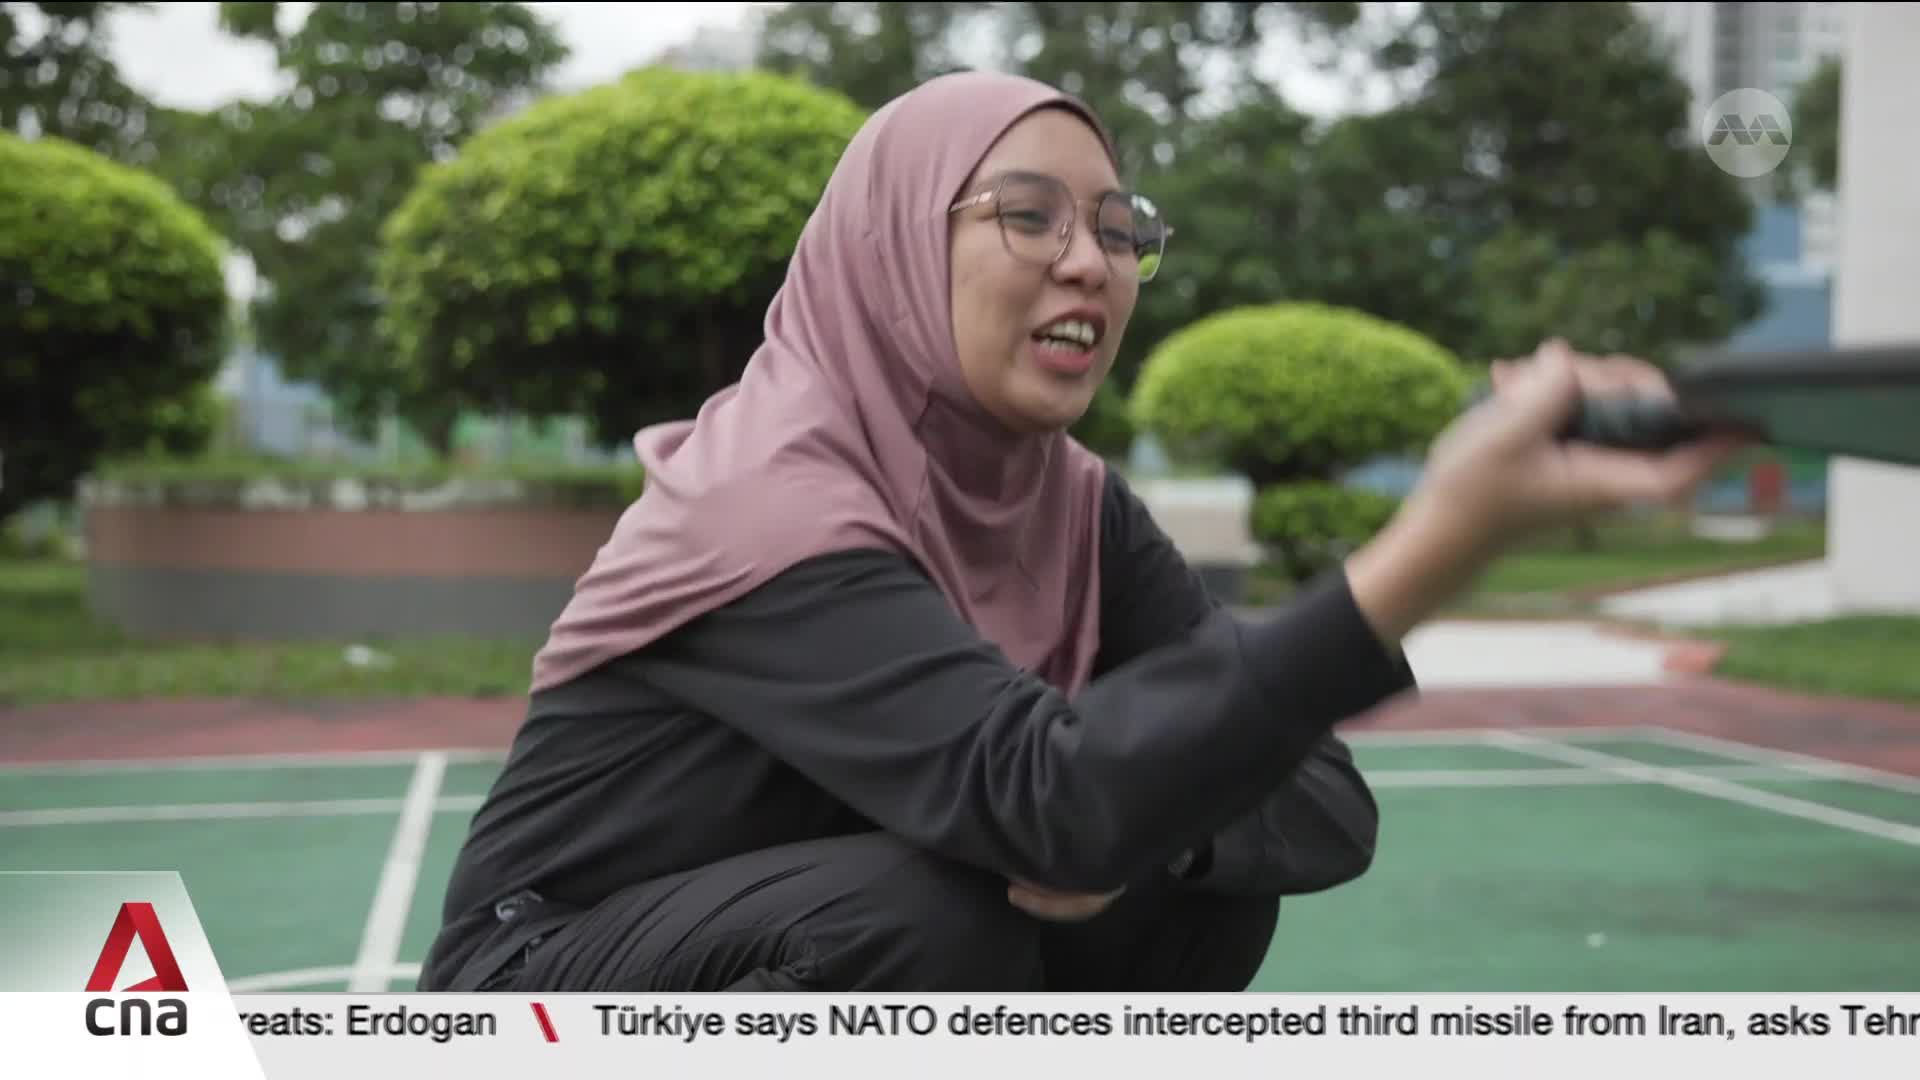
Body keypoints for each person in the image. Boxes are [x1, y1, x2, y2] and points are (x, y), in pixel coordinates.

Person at [417, 70, 1743, 994]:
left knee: (1194, 878)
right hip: (547, 988)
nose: (1089, 262)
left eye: (1119, 230)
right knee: (931, 905)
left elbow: (1322, 801)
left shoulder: (1075, 504)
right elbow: (1040, 802)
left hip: (803, 958)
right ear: (891, 247)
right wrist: (1436, 544)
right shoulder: (761, 497)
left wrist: (1141, 830)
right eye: (1029, 216)